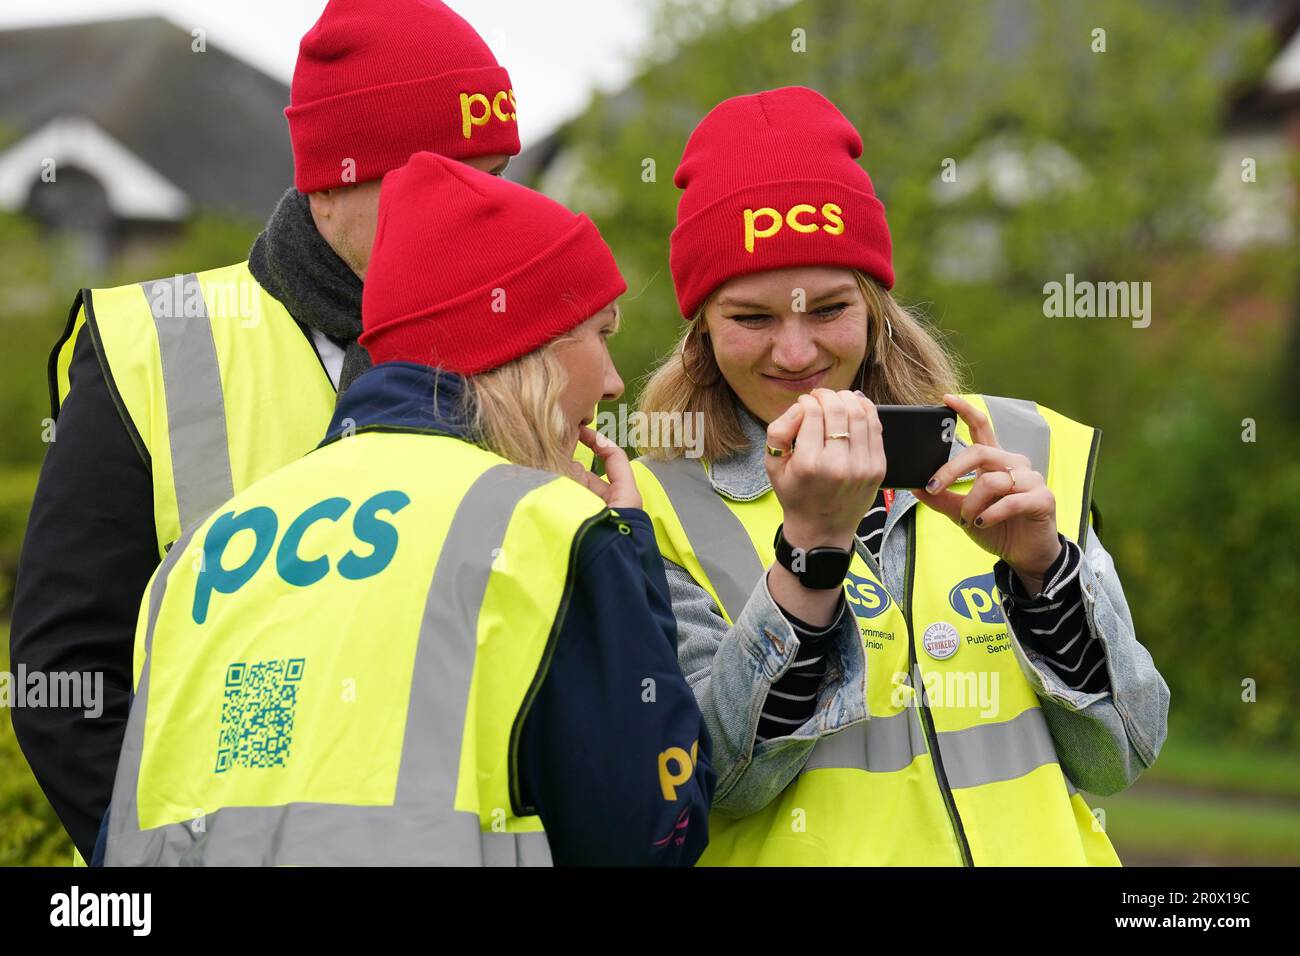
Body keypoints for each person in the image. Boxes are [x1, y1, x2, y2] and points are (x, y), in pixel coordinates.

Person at [12, 0, 527, 861]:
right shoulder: (154, 342)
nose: (477, 211)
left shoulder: (527, 349)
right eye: (439, 177)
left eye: (495, 177)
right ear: (330, 185)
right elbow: (66, 676)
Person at [99, 152, 714, 866]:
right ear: (524, 349)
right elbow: (651, 836)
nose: (612, 384)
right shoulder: (552, 530)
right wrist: (627, 552)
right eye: (599, 335)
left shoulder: (201, 552)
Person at [630, 86, 1169, 865]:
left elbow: (1121, 753)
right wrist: (810, 555)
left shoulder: (1017, 446)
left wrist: (1045, 576)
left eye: (829, 309)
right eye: (752, 317)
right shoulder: (657, 504)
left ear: (877, 304)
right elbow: (714, 785)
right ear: (702, 332)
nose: (795, 352)